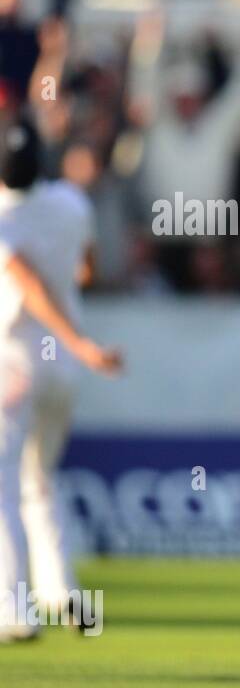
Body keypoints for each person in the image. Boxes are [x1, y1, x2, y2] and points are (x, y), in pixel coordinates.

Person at [0, 117, 120, 642]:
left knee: (5, 484)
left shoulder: (5, 215)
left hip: (16, 363)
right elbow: (86, 271)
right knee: (40, 480)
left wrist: (79, 342)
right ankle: (64, 595)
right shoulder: (73, 203)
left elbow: (30, 289)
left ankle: (13, 609)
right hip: (62, 373)